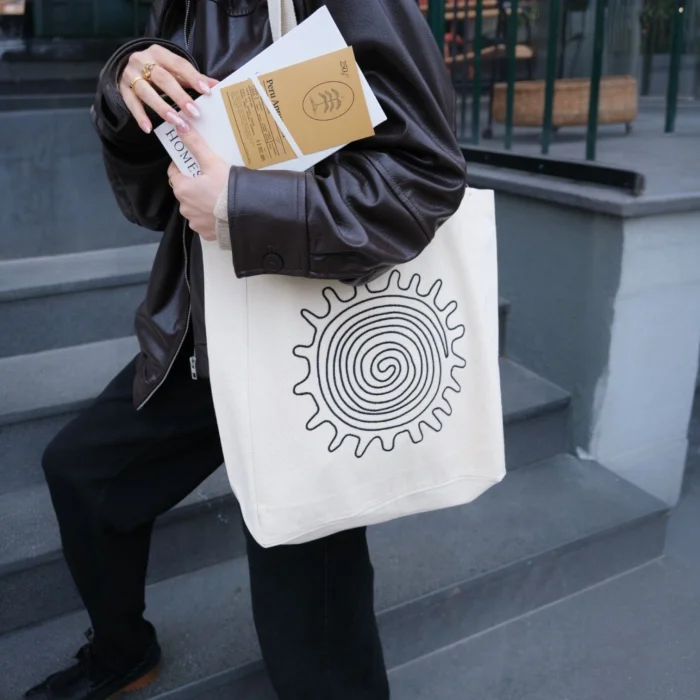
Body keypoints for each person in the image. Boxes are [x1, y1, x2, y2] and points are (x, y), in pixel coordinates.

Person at [25, 1, 466, 698]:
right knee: (84, 474)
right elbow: (157, 203)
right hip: (209, 322)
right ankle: (123, 652)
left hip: (312, 335)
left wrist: (240, 203)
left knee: (308, 613)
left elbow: (426, 176)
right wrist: (124, 87)